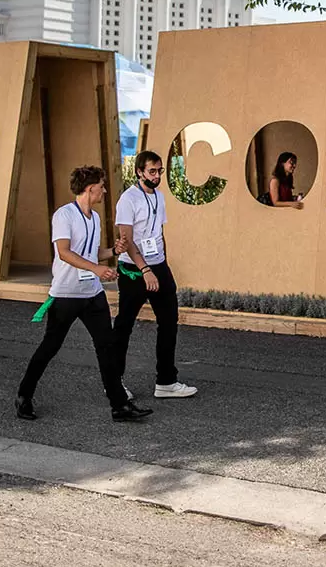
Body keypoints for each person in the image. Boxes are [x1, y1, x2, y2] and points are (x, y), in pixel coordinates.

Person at [17, 164, 152, 422]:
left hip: (92, 294)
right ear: (90, 189)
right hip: (66, 294)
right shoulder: (63, 215)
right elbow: (64, 252)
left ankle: (119, 406)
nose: (104, 191)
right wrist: (98, 269)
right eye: (101, 187)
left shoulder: (96, 218)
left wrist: (113, 251)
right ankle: (24, 395)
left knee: (107, 347)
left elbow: (92, 252)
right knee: (50, 347)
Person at [111, 151, 198, 401]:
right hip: (134, 269)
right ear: (139, 172)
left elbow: (158, 232)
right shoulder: (128, 199)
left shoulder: (159, 197)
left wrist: (162, 265)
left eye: (160, 171)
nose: (157, 176)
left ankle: (166, 382)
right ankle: (114, 382)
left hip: (159, 266)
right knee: (124, 326)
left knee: (169, 323)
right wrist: (145, 269)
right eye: (152, 171)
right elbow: (125, 240)